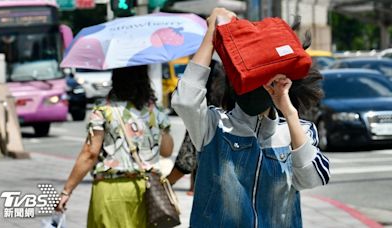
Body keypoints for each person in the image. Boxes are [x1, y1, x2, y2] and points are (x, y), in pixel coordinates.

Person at [171, 8, 330, 227]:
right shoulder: (215, 127)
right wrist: (212, 35)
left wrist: (288, 110)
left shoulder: (297, 131)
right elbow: (185, 100)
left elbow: (311, 178)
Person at [56, 65, 174, 228]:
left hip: (111, 189)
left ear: (115, 78)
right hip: (147, 192)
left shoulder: (103, 109)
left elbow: (90, 153)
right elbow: (167, 151)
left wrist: (66, 191)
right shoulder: (155, 109)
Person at [167, 60, 233, 195]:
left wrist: (166, 183)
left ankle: (189, 186)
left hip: (202, 118)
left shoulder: (202, 115)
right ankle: (192, 186)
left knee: (193, 152)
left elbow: (185, 162)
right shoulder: (222, 77)